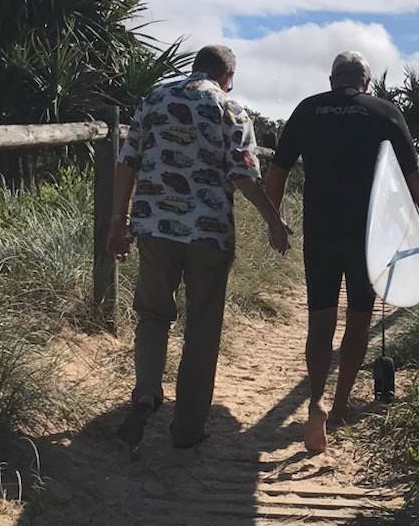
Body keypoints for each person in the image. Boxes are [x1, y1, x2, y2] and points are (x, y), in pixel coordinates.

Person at [108, 44, 289, 451]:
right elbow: (242, 176)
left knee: (153, 315)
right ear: (228, 77)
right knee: (202, 328)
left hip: (155, 227)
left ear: (195, 67)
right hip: (209, 234)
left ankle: (146, 392)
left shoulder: (154, 99)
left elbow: (127, 163)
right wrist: (273, 220)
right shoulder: (231, 109)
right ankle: (188, 428)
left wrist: (118, 221)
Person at [265, 51, 419, 453]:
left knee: (320, 318)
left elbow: (277, 172)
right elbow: (415, 178)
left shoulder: (308, 110)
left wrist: (275, 221)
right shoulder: (383, 112)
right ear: (366, 82)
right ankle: (341, 404)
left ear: (332, 80)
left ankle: (315, 400)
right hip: (368, 236)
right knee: (359, 319)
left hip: (320, 232)